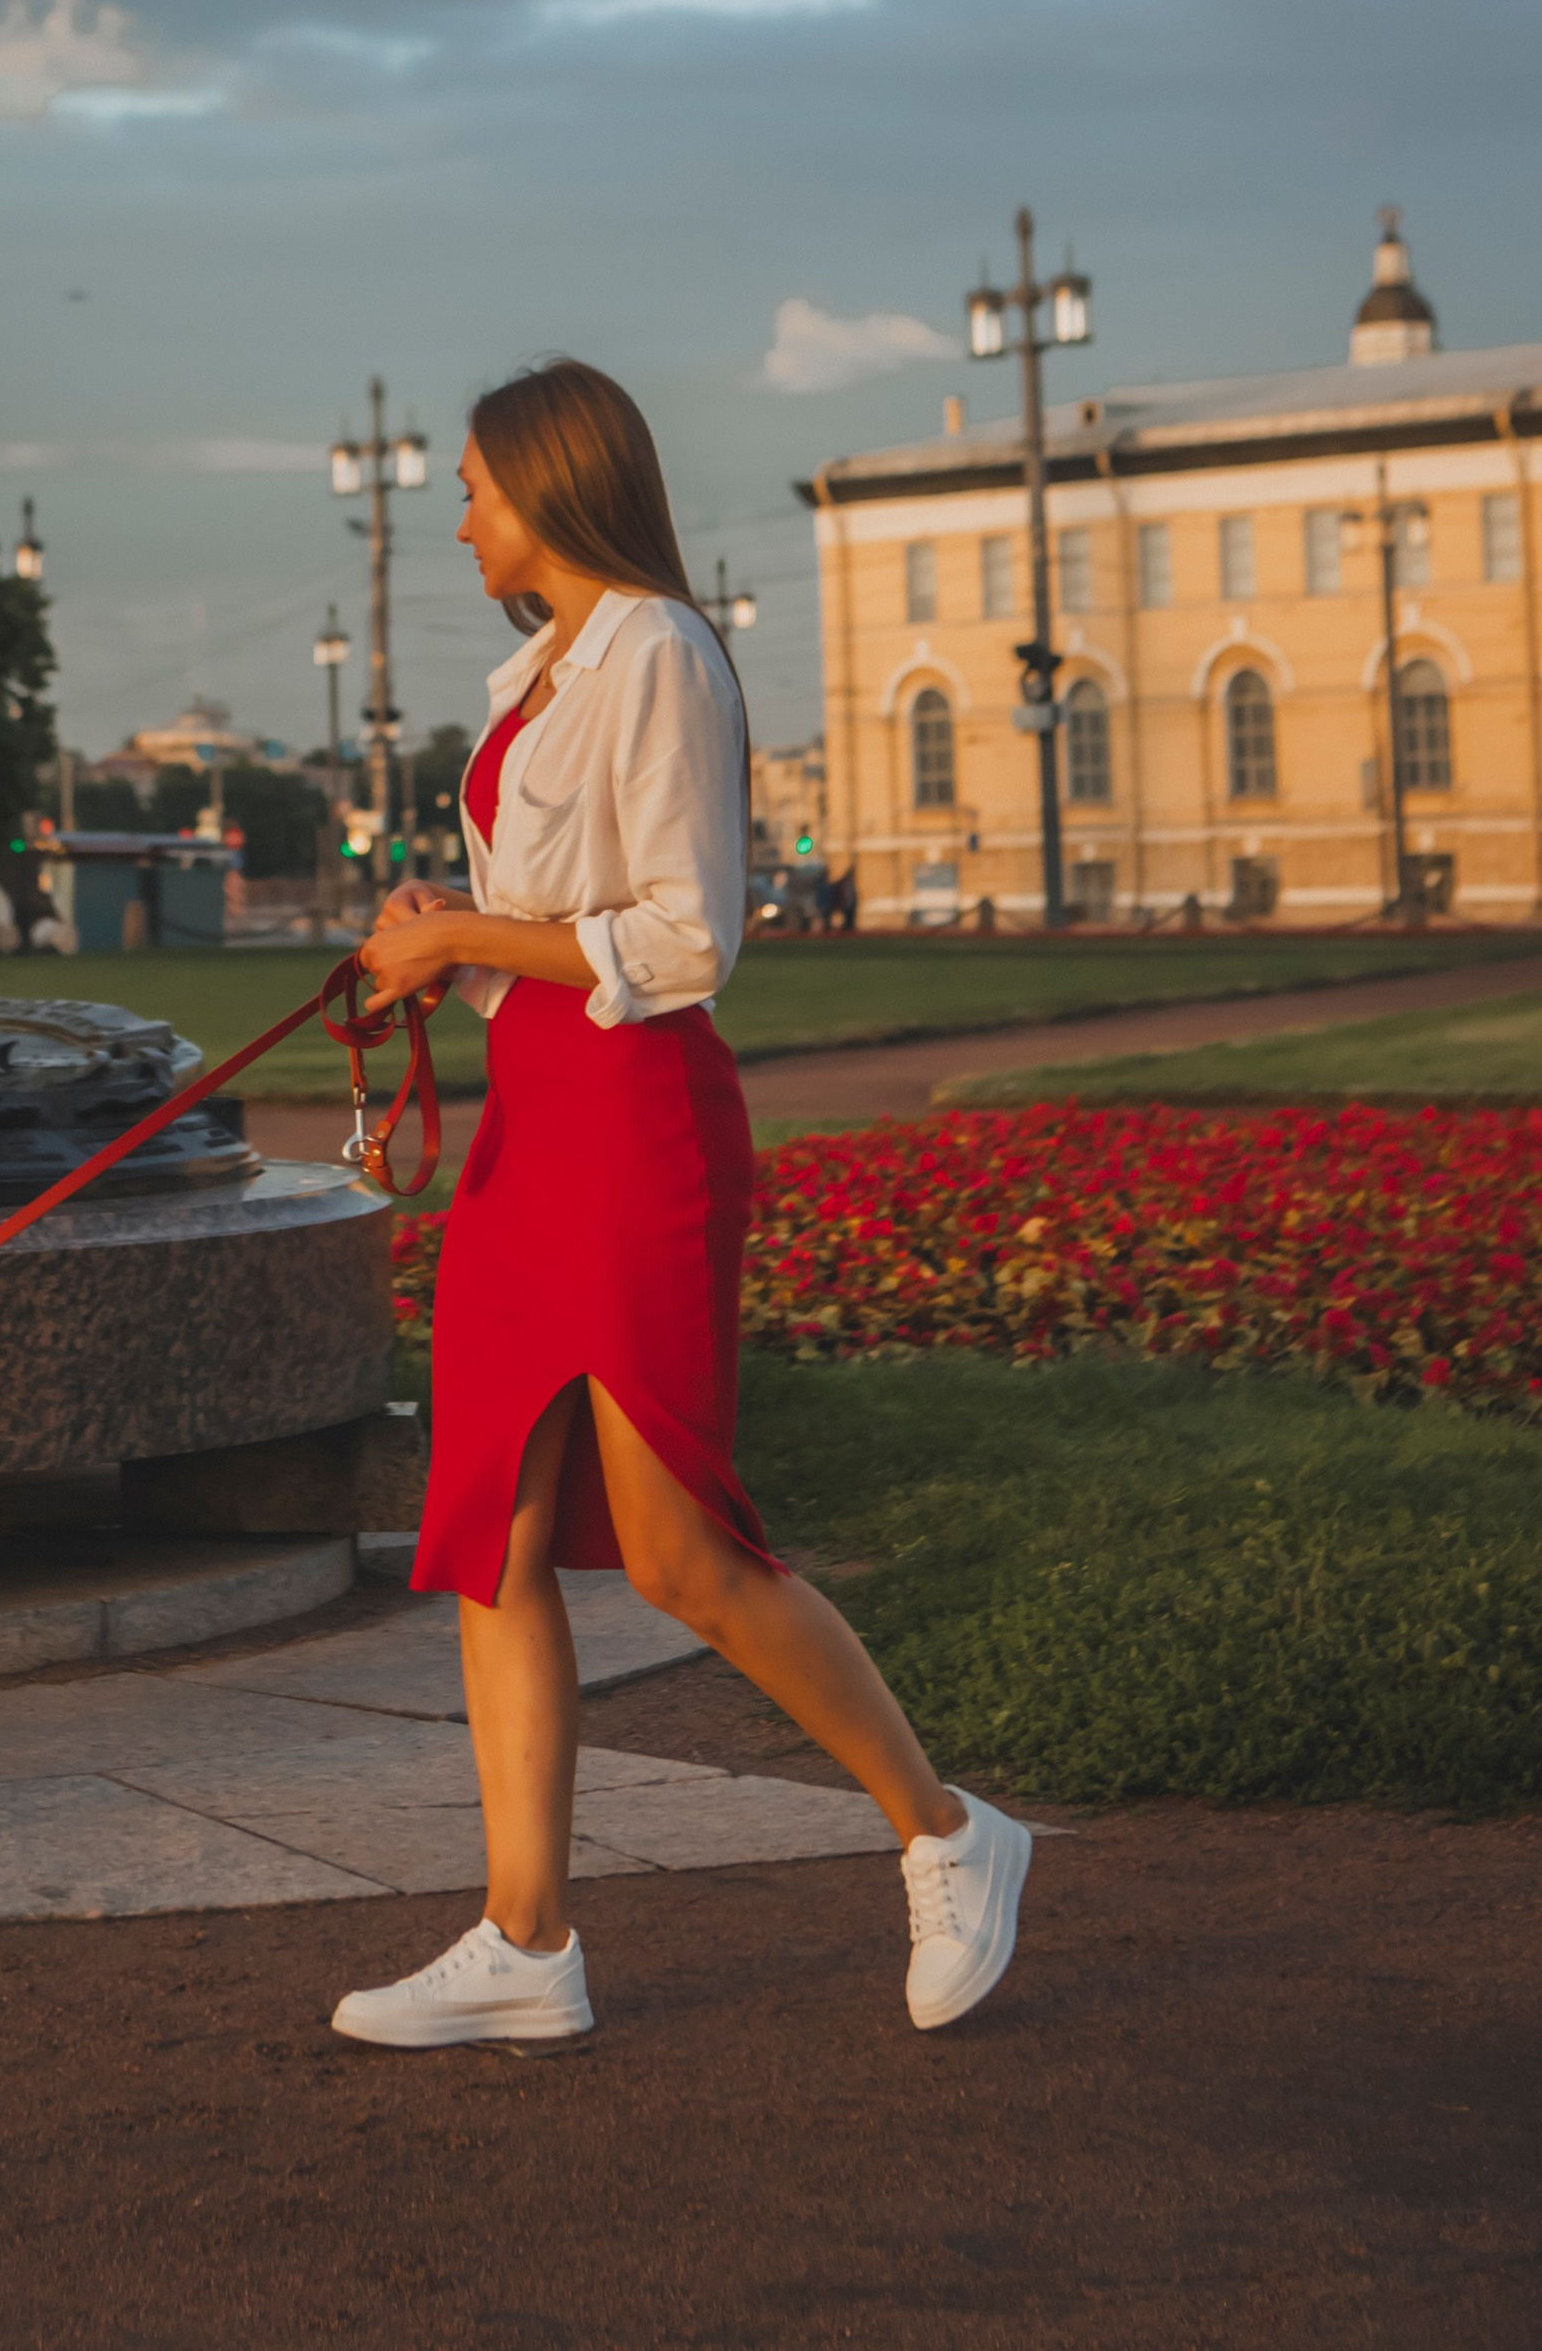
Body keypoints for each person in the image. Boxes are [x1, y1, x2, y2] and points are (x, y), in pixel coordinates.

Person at [330, 358, 1027, 2053]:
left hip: (637, 1125)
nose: (460, 516)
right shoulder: (544, 669)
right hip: (531, 1125)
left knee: (682, 1555)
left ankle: (948, 1831)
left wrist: (464, 936)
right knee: (491, 1533)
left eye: (476, 486)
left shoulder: (657, 648)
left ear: (553, 483)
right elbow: (562, 933)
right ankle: (525, 1940)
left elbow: (689, 933)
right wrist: (446, 946)